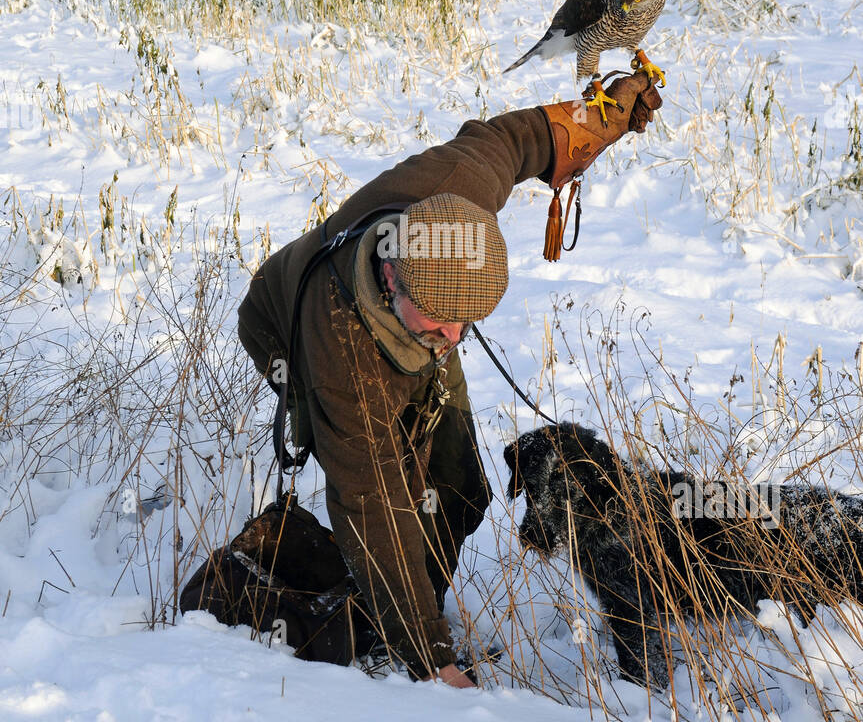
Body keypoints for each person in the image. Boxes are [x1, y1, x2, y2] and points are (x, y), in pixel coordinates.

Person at [236, 72, 662, 686]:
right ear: (393, 278)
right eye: (443, 324)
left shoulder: (457, 194)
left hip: (398, 313)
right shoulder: (344, 365)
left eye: (467, 323)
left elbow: (518, 139)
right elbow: (372, 506)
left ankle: (412, 603)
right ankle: (401, 631)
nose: (457, 339)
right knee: (392, 486)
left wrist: (602, 116)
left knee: (461, 488)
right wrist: (434, 660)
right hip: (286, 327)